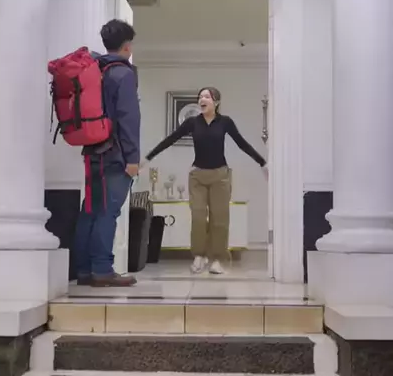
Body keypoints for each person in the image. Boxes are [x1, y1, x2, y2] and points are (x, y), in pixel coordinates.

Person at [143, 87, 267, 275]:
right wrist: (148, 158)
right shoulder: (192, 122)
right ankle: (199, 256)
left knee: (219, 220)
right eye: (200, 97)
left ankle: (218, 259)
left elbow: (242, 144)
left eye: (207, 96)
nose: (202, 99)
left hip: (220, 177)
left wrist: (262, 163)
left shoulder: (225, 122)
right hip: (198, 177)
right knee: (198, 217)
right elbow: (170, 139)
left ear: (216, 102)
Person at [75, 19, 140, 287]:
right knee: (107, 212)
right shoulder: (123, 74)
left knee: (90, 211)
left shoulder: (95, 70)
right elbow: (128, 118)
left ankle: (83, 270)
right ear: (127, 46)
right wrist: (133, 158)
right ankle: (102, 269)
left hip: (92, 151)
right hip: (114, 155)